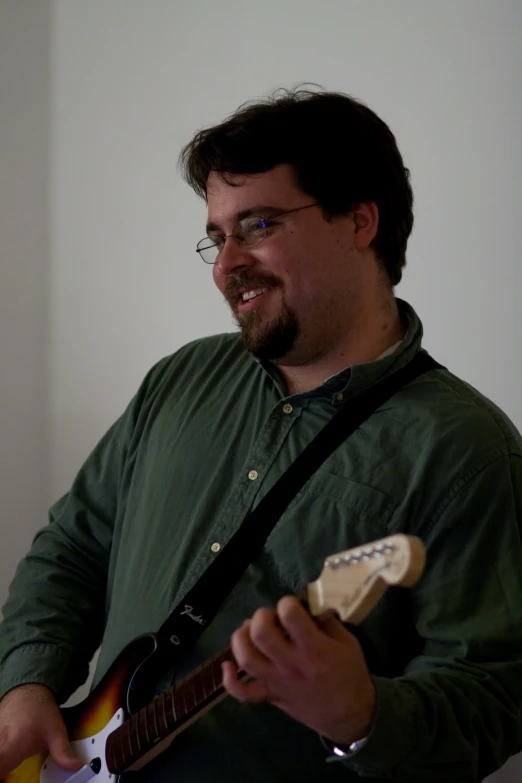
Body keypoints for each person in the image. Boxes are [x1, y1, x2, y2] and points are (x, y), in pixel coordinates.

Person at [0, 87, 521, 783]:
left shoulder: (465, 447)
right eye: (218, 236)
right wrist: (27, 682)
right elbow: (73, 549)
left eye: (260, 225)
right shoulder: (181, 380)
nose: (225, 264)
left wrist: (362, 714)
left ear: (360, 221)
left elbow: (492, 696)